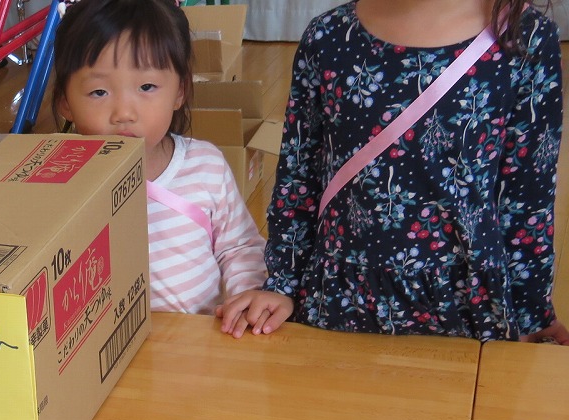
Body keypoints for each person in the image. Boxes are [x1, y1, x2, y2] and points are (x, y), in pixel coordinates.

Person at [218, 0, 568, 343]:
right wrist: (282, 285)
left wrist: (531, 313)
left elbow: (529, 198)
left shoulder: (527, 38)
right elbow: (298, 175)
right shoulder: (328, 36)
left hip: (466, 306)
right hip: (339, 296)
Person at [51, 0, 267, 314]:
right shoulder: (59, 184)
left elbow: (240, 247)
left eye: (147, 86)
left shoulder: (206, 167)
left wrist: (247, 297)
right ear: (65, 102)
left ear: (180, 90)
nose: (124, 113)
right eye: (99, 92)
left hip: (197, 339)